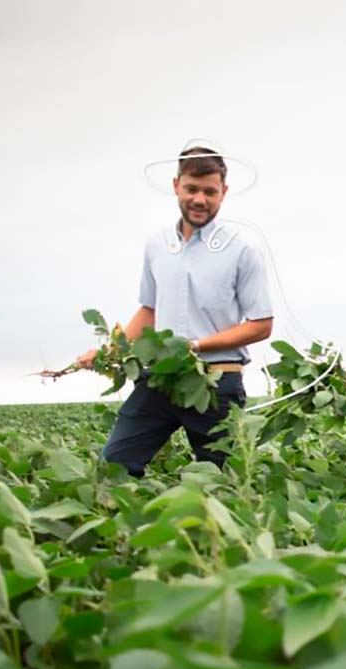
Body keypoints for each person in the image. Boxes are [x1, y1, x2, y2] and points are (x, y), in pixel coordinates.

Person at [76, 146, 273, 476]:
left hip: (214, 383)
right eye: (191, 189)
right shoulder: (157, 245)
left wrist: (194, 346)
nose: (200, 199)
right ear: (175, 186)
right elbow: (149, 311)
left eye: (210, 192)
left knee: (226, 484)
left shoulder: (243, 249)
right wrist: (109, 351)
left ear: (223, 193)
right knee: (112, 469)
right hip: (161, 379)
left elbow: (260, 325)